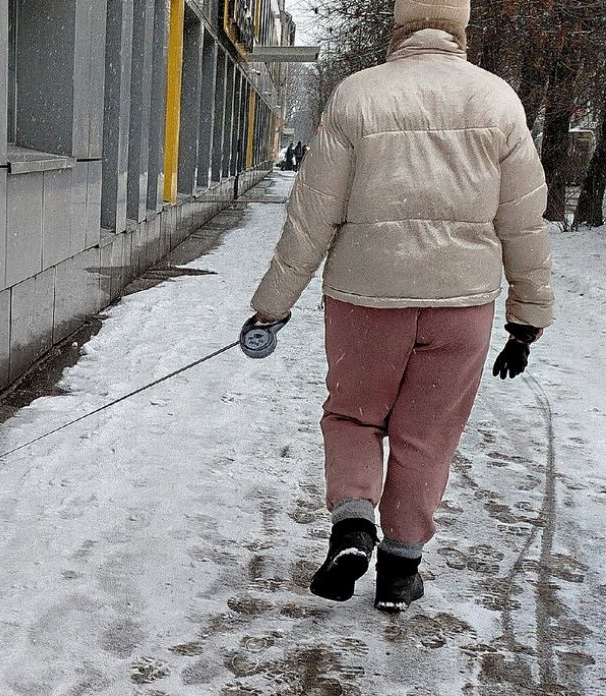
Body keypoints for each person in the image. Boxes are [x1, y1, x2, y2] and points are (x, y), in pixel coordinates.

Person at [243, 0, 553, 612]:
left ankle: (353, 523)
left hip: (365, 299)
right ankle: (400, 571)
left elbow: (312, 218)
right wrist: (527, 318)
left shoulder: (358, 96)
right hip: (461, 305)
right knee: (426, 437)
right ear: (459, 27)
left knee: (355, 417)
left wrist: (272, 307)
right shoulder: (497, 101)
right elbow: (524, 224)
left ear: (399, 26)